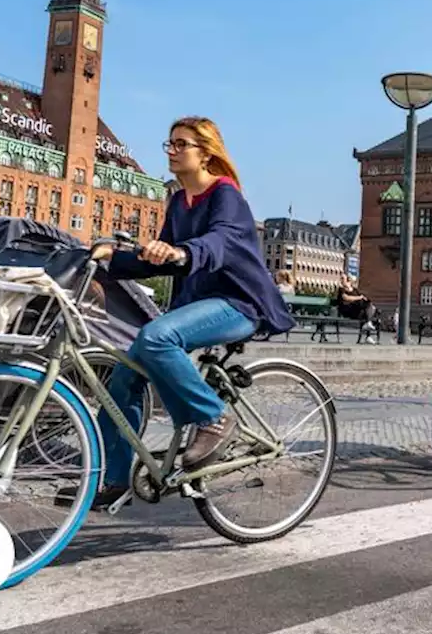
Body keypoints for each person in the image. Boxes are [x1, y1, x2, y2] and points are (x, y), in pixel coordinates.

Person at [66, 116, 296, 509]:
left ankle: (214, 417)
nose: (171, 151)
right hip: (195, 305)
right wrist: (115, 259)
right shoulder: (178, 202)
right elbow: (161, 260)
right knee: (123, 377)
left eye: (180, 144)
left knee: (157, 336)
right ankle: (115, 479)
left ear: (205, 154)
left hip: (238, 303)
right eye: (169, 144)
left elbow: (219, 242)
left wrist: (185, 252)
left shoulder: (226, 195)